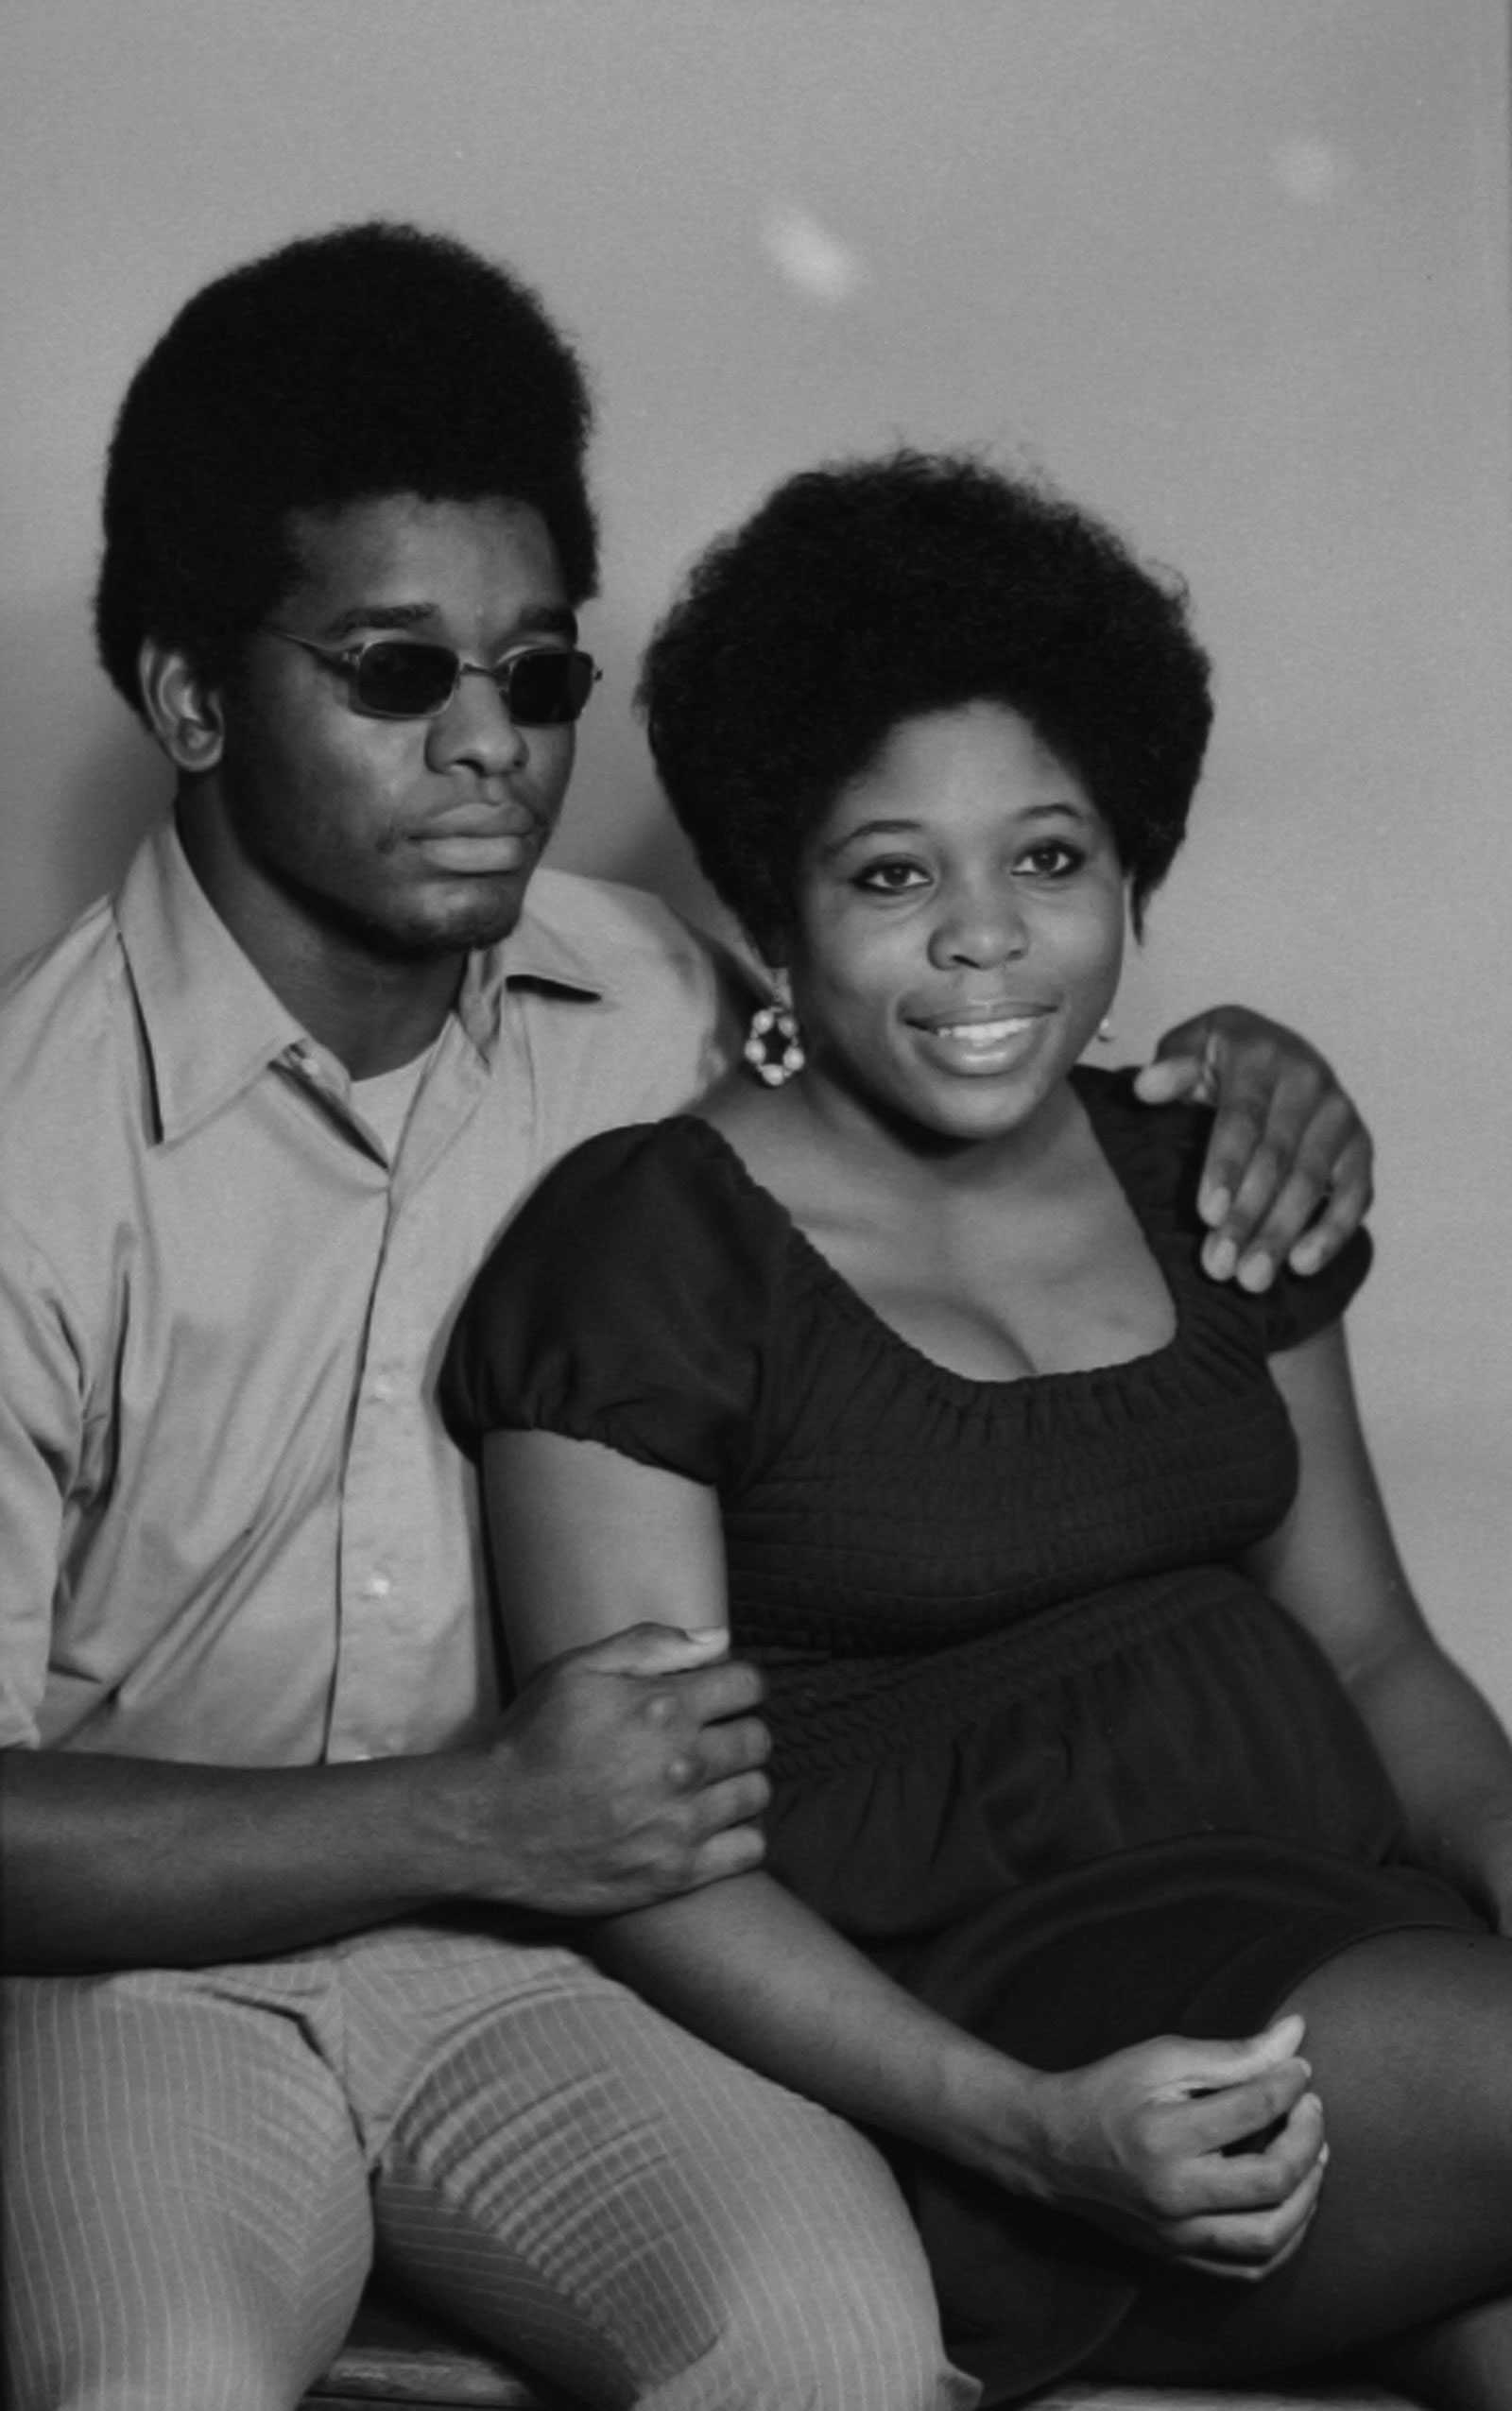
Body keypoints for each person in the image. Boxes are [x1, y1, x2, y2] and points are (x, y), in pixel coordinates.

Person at [0, 220, 1374, 2411]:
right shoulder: (24, 1157)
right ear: (183, 694)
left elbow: (950, 1055)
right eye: (390, 673)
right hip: (145, 1988)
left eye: (537, 677)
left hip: (567, 1974)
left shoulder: (650, 995)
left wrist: (1239, 1075)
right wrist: (467, 1816)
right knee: (151, 2375)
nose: (489, 751)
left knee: (834, 2348)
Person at [440, 451, 1512, 2410]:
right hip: (1017, 2056)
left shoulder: (1213, 1168)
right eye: (885, 873)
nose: (981, 940)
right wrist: (1016, 2124)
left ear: (1128, 871)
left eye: (1045, 856)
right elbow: (638, 1846)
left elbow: (1370, 1651)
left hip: (1350, 1925)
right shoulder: (649, 1240)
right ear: (771, 914)